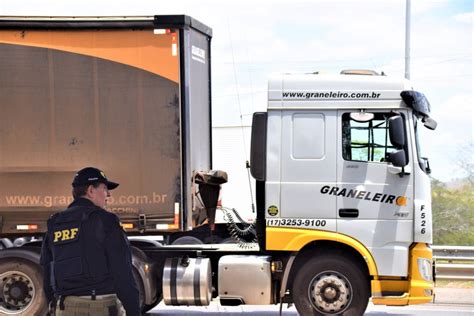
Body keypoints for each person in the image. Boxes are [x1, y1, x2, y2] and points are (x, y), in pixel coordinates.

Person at [40, 167, 140, 315]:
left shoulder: (55, 223)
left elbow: (47, 273)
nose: (108, 195)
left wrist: (54, 306)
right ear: (91, 191)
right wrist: (134, 312)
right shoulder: (106, 220)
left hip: (65, 309)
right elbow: (123, 274)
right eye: (105, 189)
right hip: (100, 308)